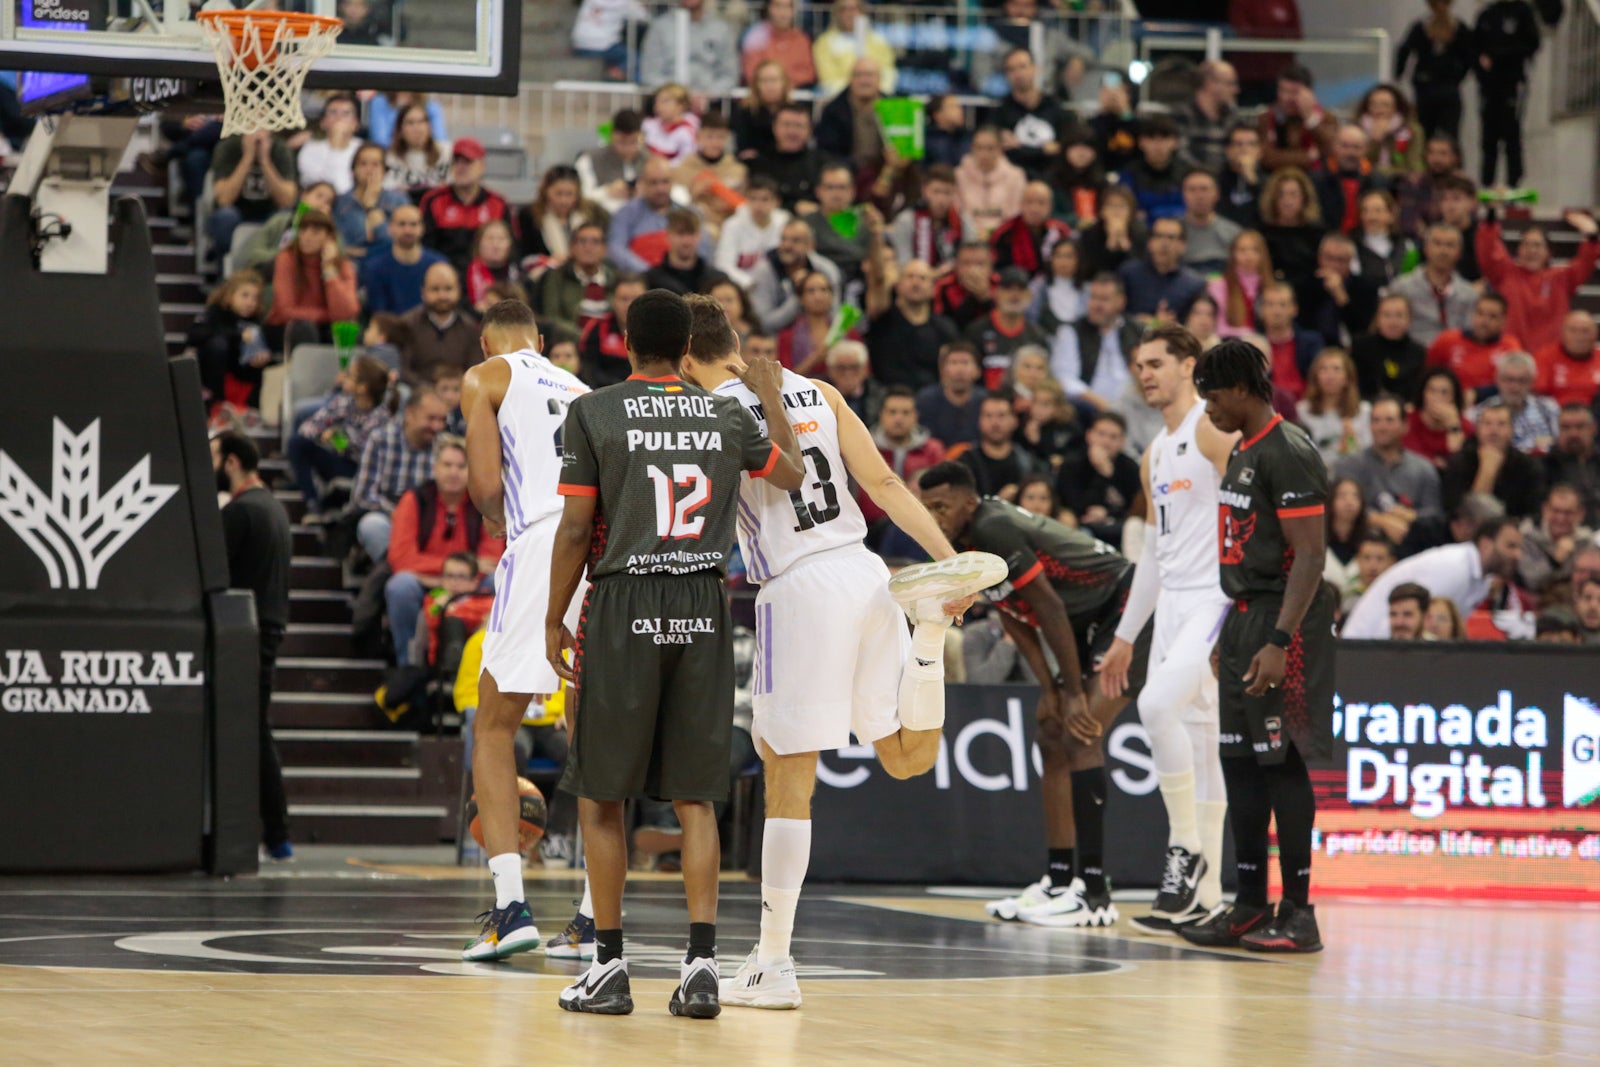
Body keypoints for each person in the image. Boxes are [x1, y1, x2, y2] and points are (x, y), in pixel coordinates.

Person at [676, 295, 998, 1007]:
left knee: (788, 776)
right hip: (866, 573)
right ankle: (930, 637)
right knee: (905, 754)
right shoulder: (818, 389)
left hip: (798, 588)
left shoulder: (712, 410)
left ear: (689, 360)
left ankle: (774, 963)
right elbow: (883, 484)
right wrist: (953, 562)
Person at [543, 289, 805, 1017]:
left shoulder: (594, 411)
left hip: (625, 604)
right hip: (701, 604)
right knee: (696, 795)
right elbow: (792, 474)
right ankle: (699, 967)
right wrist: (768, 395)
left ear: (627, 344)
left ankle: (608, 964)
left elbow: (572, 530)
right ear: (689, 347)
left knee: (602, 792)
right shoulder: (724, 413)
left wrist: (553, 618)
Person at [918, 461, 1149, 928]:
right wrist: (1050, 689)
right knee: (1050, 736)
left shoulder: (994, 527)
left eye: (942, 506)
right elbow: (1012, 615)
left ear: (968, 501)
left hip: (1127, 609)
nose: (935, 516)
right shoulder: (962, 543)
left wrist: (1072, 694)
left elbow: (1049, 607)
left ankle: (1096, 894)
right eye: (928, 508)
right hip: (1084, 623)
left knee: (1081, 734)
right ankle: (1061, 880)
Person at [1178, 339, 1335, 953]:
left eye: (1212, 397)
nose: (1208, 410)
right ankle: (1247, 903)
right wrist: (1230, 632)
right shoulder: (1244, 449)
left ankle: (1298, 911)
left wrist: (1277, 640)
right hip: (1244, 619)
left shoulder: (1288, 450)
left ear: (1240, 389)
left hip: (1281, 624)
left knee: (1282, 764)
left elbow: (1312, 556)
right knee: (1239, 763)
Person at [453, 302, 590, 961]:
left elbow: (484, 487)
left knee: (494, 724)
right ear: (543, 341)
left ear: (488, 343)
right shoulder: (587, 389)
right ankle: (595, 917)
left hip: (543, 541)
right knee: (590, 729)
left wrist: (494, 520)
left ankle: (511, 907)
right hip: (607, 551)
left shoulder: (486, 376)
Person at [1094, 324, 1237, 932]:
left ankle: (1184, 850)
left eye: (1157, 362)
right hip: (1174, 604)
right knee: (1202, 740)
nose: (1145, 373)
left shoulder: (1213, 428)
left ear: (1189, 365)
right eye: (1139, 365)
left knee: (1155, 710)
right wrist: (1126, 636)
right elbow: (1152, 552)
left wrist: (1242, 606)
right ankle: (1206, 897)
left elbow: (1246, 519)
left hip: (1214, 600)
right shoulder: (1155, 449)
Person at [212, 430, 294, 860]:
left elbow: (214, 576)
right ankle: (276, 836)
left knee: (254, 732)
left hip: (247, 635)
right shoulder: (273, 508)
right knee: (257, 729)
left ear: (230, 462)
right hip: (268, 628)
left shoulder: (241, 512)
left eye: (214, 457)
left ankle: (277, 835)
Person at [385, 436, 503, 668]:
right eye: (447, 465)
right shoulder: (414, 500)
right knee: (400, 586)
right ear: (435, 468)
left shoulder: (483, 503)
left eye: (461, 466)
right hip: (428, 582)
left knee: (497, 580)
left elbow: (492, 560)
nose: (454, 472)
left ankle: (488, 665)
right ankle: (409, 667)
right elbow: (401, 558)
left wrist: (458, 575)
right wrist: (454, 571)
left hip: (472, 584)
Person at [1341, 516, 1524, 637]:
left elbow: (1451, 633)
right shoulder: (1454, 567)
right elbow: (1410, 622)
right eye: (1510, 546)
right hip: (1369, 643)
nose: (1518, 555)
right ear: (1485, 544)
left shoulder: (1482, 581)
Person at [1475, 209, 1600, 355]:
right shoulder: (1505, 273)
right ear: (1519, 250)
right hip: (1511, 356)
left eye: (1537, 245)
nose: (1531, 250)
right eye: (1526, 245)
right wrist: (1490, 221)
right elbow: (1488, 250)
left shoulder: (1562, 277)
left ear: (1549, 253)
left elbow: (1586, 261)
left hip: (1550, 358)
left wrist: (1592, 235)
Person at [288, 355, 395, 519]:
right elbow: (308, 427)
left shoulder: (382, 417)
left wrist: (337, 438)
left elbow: (362, 451)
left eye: (350, 375)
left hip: (362, 473)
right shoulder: (345, 402)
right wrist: (321, 435)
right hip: (339, 461)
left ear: (363, 387)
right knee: (296, 442)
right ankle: (312, 504)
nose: (344, 376)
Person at [352, 388, 450, 564]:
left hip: (430, 523)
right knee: (371, 525)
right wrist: (400, 514)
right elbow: (364, 494)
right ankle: (392, 571)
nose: (437, 426)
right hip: (390, 517)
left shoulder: (445, 448)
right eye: (431, 418)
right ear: (410, 413)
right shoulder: (380, 439)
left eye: (442, 420)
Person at [1336, 395, 1444, 546]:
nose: (1382, 427)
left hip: (1411, 545)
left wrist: (1410, 515)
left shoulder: (1424, 468)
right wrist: (1381, 520)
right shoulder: (1349, 465)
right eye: (1376, 420)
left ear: (1405, 425)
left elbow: (1434, 514)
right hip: (1358, 547)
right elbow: (1337, 508)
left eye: (1389, 420)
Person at [265, 209, 361, 354]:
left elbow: (348, 312)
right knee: (306, 328)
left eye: (315, 232)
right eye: (303, 231)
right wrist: (329, 316)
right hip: (287, 327)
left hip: (324, 326)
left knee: (349, 332)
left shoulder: (342, 265)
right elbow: (285, 310)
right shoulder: (286, 259)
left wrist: (329, 270)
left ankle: (346, 375)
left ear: (329, 237)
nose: (307, 237)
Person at [1473, 0, 1542, 189]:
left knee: (1511, 133)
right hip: (1488, 86)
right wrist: (1481, 61)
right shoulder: (1487, 14)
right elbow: (1474, 47)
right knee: (1489, 136)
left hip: (1512, 83)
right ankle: (1487, 181)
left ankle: (1514, 181)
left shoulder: (1522, 12)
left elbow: (1532, 43)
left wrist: (1499, 56)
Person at [417, 138, 513, 273]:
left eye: (467, 162)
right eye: (456, 162)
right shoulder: (434, 200)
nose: (460, 168)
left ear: (482, 166)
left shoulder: (497, 203)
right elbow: (424, 247)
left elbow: (511, 248)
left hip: (489, 278)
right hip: (444, 276)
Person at [1052, 273, 1143, 412]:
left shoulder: (1137, 331)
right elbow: (1065, 379)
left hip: (1134, 407)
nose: (1096, 305)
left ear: (1121, 301)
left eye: (1104, 299)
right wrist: (1104, 405)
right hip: (1089, 408)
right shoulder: (1071, 331)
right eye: (1093, 297)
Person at [865, 258, 959, 390]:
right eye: (910, 277)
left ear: (933, 288)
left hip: (928, 401)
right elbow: (877, 282)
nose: (916, 282)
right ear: (897, 284)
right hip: (887, 399)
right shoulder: (881, 319)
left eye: (923, 278)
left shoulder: (945, 328)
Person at [1442, 402, 1546, 519]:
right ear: (1477, 430)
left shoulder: (1528, 465)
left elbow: (1533, 514)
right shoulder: (1460, 462)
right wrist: (1486, 471)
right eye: (1487, 424)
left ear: (1511, 431)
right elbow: (1460, 516)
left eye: (1501, 424)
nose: (1493, 430)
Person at [861, 384, 945, 527]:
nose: (898, 419)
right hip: (871, 528)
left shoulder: (933, 451)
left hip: (923, 525)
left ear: (915, 416)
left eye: (906, 413)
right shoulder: (864, 449)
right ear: (881, 415)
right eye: (892, 412)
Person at [992, 48, 1081, 182]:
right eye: (1011, 69)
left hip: (1054, 179)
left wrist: (1020, 147)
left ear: (1035, 68)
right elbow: (1002, 151)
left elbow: (1068, 147)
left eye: (1023, 67)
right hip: (1013, 181)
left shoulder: (1055, 107)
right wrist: (1044, 150)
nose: (1018, 74)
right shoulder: (1000, 112)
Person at [608, 159, 711, 274]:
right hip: (642, 280)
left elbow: (704, 249)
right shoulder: (626, 213)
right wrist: (652, 273)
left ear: (673, 182)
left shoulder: (689, 214)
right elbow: (616, 249)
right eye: (653, 183)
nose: (660, 189)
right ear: (642, 183)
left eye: (665, 182)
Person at [1056, 410, 1141, 546]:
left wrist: (1108, 512)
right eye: (1101, 434)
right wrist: (1102, 475)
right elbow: (1073, 506)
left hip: (1120, 528)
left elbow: (1136, 507)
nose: (1106, 442)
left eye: (1113, 437)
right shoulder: (1072, 464)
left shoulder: (1130, 468)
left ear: (1122, 442)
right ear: (1089, 435)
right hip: (1082, 528)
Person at [208, 131, 299, 258]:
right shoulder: (228, 147)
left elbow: (287, 201)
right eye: (251, 123)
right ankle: (224, 268)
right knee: (225, 216)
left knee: (285, 218)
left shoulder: (281, 149)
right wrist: (247, 158)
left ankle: (275, 268)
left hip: (270, 213)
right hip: (237, 212)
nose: (256, 130)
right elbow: (224, 200)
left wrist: (265, 161)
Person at [1387, 223, 1478, 349]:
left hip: (1455, 357)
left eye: (1450, 245)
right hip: (1411, 356)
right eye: (1437, 243)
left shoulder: (1469, 294)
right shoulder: (1401, 287)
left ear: (1459, 252)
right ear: (1426, 248)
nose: (1443, 251)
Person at [1395, 0, 1476, 139]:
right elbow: (1404, 51)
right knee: (1426, 134)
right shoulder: (1421, 27)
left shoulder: (1458, 28)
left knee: (1444, 136)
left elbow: (1470, 56)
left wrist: (1399, 76)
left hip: (1444, 88)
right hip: (1430, 88)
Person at [516, 165, 608, 286]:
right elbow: (524, 255)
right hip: (545, 275)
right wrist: (550, 261)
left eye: (569, 194)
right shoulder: (529, 215)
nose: (564, 200)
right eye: (558, 194)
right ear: (546, 191)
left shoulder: (591, 213)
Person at [748, 218, 841, 334]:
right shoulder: (763, 272)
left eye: (795, 241)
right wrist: (799, 295)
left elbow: (834, 314)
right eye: (783, 239)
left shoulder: (826, 270)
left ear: (810, 246)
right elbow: (763, 324)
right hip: (776, 340)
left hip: (820, 334)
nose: (786, 245)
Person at [965, 268, 1051, 390]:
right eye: (1008, 288)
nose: (1014, 295)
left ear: (1029, 295)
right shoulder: (976, 331)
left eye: (1020, 289)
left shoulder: (1037, 336)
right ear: (996, 293)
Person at [398, 263, 481, 385]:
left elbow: (474, 371)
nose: (442, 296)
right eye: (435, 289)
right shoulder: (407, 324)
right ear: (423, 291)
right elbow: (403, 369)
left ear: (458, 290)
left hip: (460, 395)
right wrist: (427, 392)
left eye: (448, 289)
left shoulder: (471, 328)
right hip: (417, 395)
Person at [1427, 292, 1521, 398]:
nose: (1484, 321)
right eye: (1480, 313)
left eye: (1492, 316)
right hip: (1450, 401)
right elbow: (1429, 374)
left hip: (1494, 404)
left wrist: (1477, 393)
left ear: (1503, 320)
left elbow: (1514, 383)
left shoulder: (1509, 346)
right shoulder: (1447, 339)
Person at [1297, 233, 1382, 351]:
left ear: (1350, 261)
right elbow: (1301, 324)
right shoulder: (1305, 285)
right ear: (1319, 257)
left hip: (1350, 350)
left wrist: (1342, 297)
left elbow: (1362, 329)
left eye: (1341, 260)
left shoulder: (1365, 288)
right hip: (1311, 348)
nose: (1334, 265)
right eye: (1329, 258)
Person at [637, 0, 739, 97]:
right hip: (668, 101)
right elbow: (650, 74)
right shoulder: (659, 28)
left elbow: (730, 75)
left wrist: (709, 94)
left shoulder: (721, 29)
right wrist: (676, 94)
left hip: (711, 103)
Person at [362, 204, 446, 316]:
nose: (408, 230)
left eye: (413, 224)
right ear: (390, 228)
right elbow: (378, 313)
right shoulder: (375, 268)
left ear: (422, 228)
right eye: (401, 224)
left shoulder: (439, 266)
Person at [537, 222, 617, 339]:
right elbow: (551, 317)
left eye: (595, 242)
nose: (588, 247)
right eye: (582, 241)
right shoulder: (557, 277)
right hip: (570, 342)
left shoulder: (615, 278)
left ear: (604, 249)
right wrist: (583, 336)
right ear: (572, 248)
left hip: (609, 344)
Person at [1117, 216, 1205, 323]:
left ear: (1183, 246)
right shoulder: (1128, 273)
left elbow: (1197, 323)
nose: (1164, 243)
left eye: (1171, 237)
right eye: (1158, 236)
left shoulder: (1194, 284)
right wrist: (1139, 322)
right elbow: (1115, 312)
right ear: (1149, 242)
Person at [958, 392, 1043, 499]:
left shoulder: (1027, 463)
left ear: (1014, 421)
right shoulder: (964, 464)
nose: (995, 423)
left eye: (1001, 416)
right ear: (979, 421)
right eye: (988, 416)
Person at [1257, 63, 1337, 174]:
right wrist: (1307, 156)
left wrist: (1310, 120)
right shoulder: (1267, 118)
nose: (1286, 98)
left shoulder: (1325, 118)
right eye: (1282, 90)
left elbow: (1332, 151)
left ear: (1309, 93)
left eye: (1293, 92)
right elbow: (1265, 157)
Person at [334, 143, 409, 260]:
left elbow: (400, 241)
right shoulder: (340, 201)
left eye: (375, 164)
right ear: (354, 170)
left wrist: (371, 207)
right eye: (363, 164)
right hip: (350, 262)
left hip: (389, 261)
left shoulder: (398, 200)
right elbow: (339, 242)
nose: (369, 170)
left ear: (384, 170)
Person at [748, 104, 828, 212]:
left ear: (810, 130)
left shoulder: (823, 165)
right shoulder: (758, 164)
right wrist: (794, 207)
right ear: (774, 127)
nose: (792, 132)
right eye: (786, 125)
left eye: (799, 126)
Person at [1477, 351, 1560, 455]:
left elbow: (1560, 445)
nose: (1515, 387)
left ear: (1532, 382)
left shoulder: (1548, 409)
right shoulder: (1482, 411)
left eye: (1522, 381)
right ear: (1497, 380)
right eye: (1509, 380)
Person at [1257, 168, 1326, 292]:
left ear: (1304, 198)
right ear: (1273, 198)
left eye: (1294, 194)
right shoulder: (1261, 233)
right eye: (1281, 194)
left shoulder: (1318, 234)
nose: (1287, 201)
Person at [715, 176, 790, 290]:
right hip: (744, 288)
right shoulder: (733, 225)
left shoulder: (785, 222)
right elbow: (723, 265)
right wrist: (748, 283)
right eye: (753, 199)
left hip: (778, 286)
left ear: (776, 202)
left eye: (765, 199)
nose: (758, 205)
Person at [956, 126, 1028, 241]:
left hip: (1005, 238)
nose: (984, 154)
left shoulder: (1016, 176)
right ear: (972, 148)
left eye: (990, 148)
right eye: (979, 148)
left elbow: (1016, 212)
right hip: (967, 237)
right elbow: (958, 212)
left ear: (1000, 149)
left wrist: (995, 233)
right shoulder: (959, 175)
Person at [1518, 483, 1593, 594]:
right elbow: (1531, 581)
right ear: (1545, 510)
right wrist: (1555, 560)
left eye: (1568, 513)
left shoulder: (1588, 543)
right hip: (1536, 602)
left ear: (1580, 514)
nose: (1561, 518)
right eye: (1556, 511)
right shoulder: (1528, 538)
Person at [991, 182, 1073, 281]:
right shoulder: (1004, 233)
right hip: (1016, 288)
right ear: (1020, 204)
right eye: (1029, 202)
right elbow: (996, 271)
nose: (1035, 209)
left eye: (1041, 203)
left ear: (1050, 207)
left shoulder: (1061, 231)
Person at [811, 0, 896, 96]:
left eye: (854, 9)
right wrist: (857, 92)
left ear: (862, 12)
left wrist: (875, 92)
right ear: (836, 13)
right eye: (844, 9)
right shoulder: (823, 43)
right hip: (840, 100)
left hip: (877, 98)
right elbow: (828, 80)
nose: (850, 14)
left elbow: (888, 73)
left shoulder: (879, 41)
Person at [1352, 294, 1428, 401]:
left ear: (1409, 319)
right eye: (1387, 315)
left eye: (1399, 315)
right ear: (1377, 319)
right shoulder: (1360, 347)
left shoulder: (1419, 352)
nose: (1393, 322)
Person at [889, 165, 963, 272]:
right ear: (924, 191)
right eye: (936, 192)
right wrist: (935, 274)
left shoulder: (963, 222)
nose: (941, 200)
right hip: (916, 282)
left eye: (947, 193)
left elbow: (970, 261)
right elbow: (903, 267)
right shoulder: (906, 221)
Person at [579, 273, 646, 388]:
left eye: (636, 299)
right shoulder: (597, 327)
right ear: (613, 300)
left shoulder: (657, 332)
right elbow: (588, 370)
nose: (630, 305)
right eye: (624, 299)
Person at [915, 340, 986, 449]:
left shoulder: (987, 401)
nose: (959, 369)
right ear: (943, 370)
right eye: (953, 363)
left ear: (978, 371)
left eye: (965, 363)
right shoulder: (926, 400)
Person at [1174, 60, 1241, 173]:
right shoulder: (1182, 114)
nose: (1236, 90)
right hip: (1192, 182)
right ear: (1209, 83)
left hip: (1225, 183)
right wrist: (1206, 175)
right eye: (1230, 83)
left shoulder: (1232, 116)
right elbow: (1180, 155)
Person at [1118, 115, 1187, 224]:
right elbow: (1125, 209)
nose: (1158, 144)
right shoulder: (1129, 173)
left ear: (1175, 142)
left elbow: (1191, 209)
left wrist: (1151, 213)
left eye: (1165, 137)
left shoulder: (1187, 173)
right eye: (1151, 137)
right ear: (1141, 142)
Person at [577, 109, 645, 217]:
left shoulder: (648, 160)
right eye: (622, 143)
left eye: (634, 142)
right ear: (612, 135)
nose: (628, 149)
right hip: (603, 217)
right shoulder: (589, 160)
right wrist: (606, 192)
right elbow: (580, 197)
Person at [1405, 366, 1473, 469]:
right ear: (1423, 394)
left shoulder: (1465, 427)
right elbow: (1410, 457)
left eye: (1444, 392)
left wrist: (1453, 426)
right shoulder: (1408, 421)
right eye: (1432, 391)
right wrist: (1434, 462)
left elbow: (1461, 463)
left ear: (1454, 397)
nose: (1437, 397)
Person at [643, 208, 721, 296]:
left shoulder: (716, 280)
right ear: (668, 235)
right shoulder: (650, 280)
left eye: (691, 233)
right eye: (680, 233)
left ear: (699, 236)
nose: (686, 241)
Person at [297, 93, 363, 195]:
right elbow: (317, 187)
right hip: (315, 205)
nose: (339, 118)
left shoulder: (363, 149)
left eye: (345, 114)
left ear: (355, 124)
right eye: (333, 112)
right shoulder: (310, 148)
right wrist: (336, 146)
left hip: (352, 204)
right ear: (323, 122)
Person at [1355, 84, 1425, 180]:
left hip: (1400, 177)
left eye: (1385, 105)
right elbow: (1359, 161)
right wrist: (1375, 140)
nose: (1379, 110)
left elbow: (1412, 162)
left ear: (1396, 107)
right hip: (1366, 177)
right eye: (1374, 105)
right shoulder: (1357, 129)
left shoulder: (1411, 129)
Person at [1209, 229, 1271, 339]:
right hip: (1230, 343)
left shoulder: (1271, 287)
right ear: (1233, 254)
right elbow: (1219, 328)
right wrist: (1250, 336)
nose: (1249, 255)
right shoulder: (1219, 284)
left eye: (1255, 250)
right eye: (1242, 250)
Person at [383, 101, 452, 200]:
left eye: (421, 121)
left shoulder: (447, 152)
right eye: (410, 123)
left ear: (429, 127)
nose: (417, 128)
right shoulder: (389, 159)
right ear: (400, 130)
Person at [1181, 169, 1244, 276]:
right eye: (1192, 190)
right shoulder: (1172, 232)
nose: (1199, 196)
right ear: (1183, 195)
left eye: (1204, 189)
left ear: (1217, 194)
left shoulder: (1234, 233)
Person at [741, 0, 815, 89]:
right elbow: (751, 74)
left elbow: (808, 74)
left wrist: (779, 83)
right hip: (761, 96)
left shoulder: (802, 39)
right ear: (768, 8)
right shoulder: (756, 36)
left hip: (796, 95)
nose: (783, 13)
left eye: (788, 7)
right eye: (778, 6)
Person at [1545, 405, 1600, 524]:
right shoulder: (1545, 465)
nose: (1573, 434)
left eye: (1580, 427)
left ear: (1593, 429)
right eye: (1566, 428)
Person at [1535, 311, 1600, 408]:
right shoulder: (1544, 357)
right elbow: (1539, 395)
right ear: (1562, 332)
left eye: (1585, 331)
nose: (1579, 337)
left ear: (1596, 334)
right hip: (1555, 414)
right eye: (1573, 330)